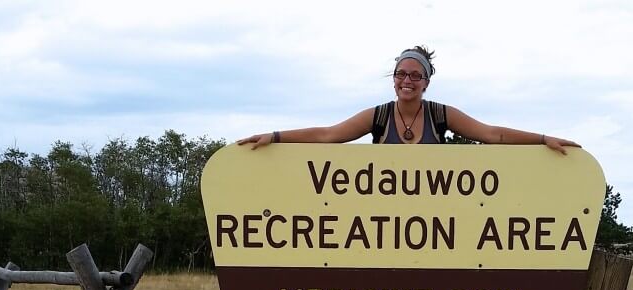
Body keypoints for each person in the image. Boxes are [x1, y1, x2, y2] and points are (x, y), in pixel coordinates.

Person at [238, 46, 580, 154]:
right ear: (394, 79)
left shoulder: (441, 115)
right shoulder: (378, 117)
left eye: (416, 75)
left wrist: (542, 139)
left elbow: (492, 134)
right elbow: (328, 135)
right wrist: (277, 136)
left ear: (426, 82)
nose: (407, 81)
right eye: (402, 74)